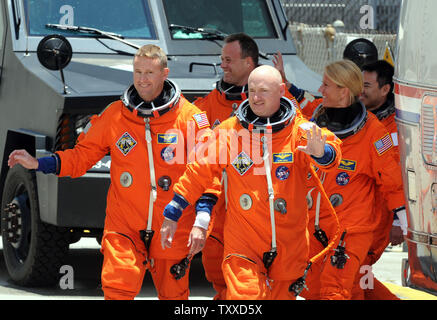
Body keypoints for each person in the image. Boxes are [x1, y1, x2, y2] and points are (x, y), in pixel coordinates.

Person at [7, 44, 212, 300]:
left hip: (172, 225)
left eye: (149, 72)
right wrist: (39, 163)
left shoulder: (190, 119)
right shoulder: (115, 116)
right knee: (117, 286)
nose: (142, 79)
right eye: (137, 71)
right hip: (124, 224)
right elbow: (81, 157)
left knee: (174, 294)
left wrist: (202, 221)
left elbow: (207, 172)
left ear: (165, 74)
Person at [159, 65, 343, 300]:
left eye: (263, 91)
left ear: (281, 91)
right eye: (252, 90)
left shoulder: (299, 130)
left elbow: (334, 154)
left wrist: (321, 153)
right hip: (243, 244)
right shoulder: (230, 132)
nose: (255, 97)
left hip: (289, 245)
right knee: (245, 298)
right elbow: (198, 173)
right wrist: (172, 213)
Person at [284, 59, 406, 300]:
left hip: (351, 229)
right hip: (315, 224)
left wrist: (402, 223)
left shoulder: (373, 132)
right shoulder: (316, 118)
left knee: (335, 288)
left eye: (326, 85)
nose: (321, 89)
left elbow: (392, 181)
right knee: (320, 289)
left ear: (344, 91)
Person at [191, 32, 258, 300]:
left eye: (229, 60)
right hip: (217, 207)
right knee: (215, 267)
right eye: (222, 60)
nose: (223, 66)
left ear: (249, 63)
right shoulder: (206, 107)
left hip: (256, 209)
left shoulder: (276, 104)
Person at [349, 60, 406, 300]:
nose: (360, 91)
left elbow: (398, 178)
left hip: (379, 220)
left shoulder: (400, 127)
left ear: (385, 89)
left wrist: (397, 221)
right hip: (355, 215)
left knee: (353, 276)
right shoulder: (353, 119)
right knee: (357, 276)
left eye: (367, 86)